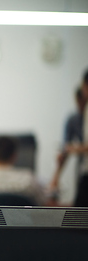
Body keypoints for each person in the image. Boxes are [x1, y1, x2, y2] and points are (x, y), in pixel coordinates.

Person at [51, 69, 88, 207]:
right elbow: (65, 151)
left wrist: (76, 149)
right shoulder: (74, 120)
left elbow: (71, 148)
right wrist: (55, 178)